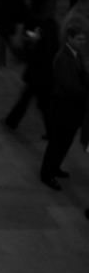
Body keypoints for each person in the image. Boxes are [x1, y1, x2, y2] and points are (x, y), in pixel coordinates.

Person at [40, 24, 88, 191]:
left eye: (84, 39)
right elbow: (69, 85)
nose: (83, 42)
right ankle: (46, 174)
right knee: (57, 143)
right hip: (63, 108)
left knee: (66, 142)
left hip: (73, 109)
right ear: (70, 39)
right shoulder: (62, 57)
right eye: (79, 39)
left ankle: (55, 167)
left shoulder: (77, 54)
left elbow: (82, 77)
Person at [4, 17, 59, 132]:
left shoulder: (41, 45)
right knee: (39, 104)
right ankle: (12, 121)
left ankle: (12, 121)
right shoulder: (54, 44)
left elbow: (28, 57)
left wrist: (29, 44)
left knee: (33, 103)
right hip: (45, 80)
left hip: (36, 78)